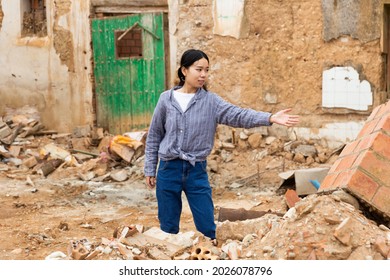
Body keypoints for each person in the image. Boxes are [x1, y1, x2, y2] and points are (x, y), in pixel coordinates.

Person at [144, 49, 299, 242]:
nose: (203, 75)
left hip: (196, 170)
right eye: (198, 69)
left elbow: (239, 115)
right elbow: (154, 136)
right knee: (168, 227)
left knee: (208, 226)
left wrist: (270, 117)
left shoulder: (211, 102)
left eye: (206, 70)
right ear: (184, 70)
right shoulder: (165, 99)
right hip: (168, 169)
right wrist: (150, 168)